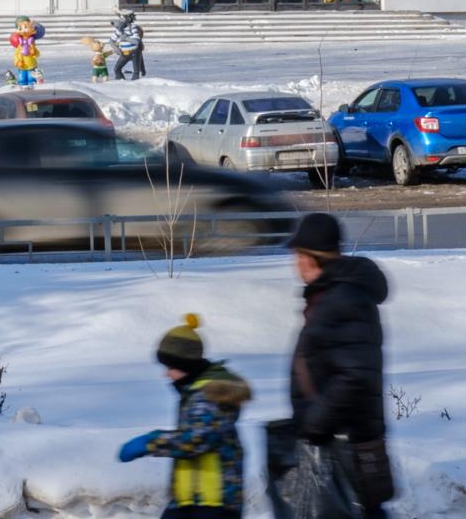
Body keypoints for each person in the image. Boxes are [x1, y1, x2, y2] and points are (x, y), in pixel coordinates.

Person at [282, 213, 395, 519]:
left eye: (298, 256)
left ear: (310, 258)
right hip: (341, 439)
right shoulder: (332, 296)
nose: (295, 263)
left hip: (347, 442)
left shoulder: (342, 299)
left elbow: (356, 374)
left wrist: (316, 423)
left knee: (358, 511)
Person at [116, 313, 252, 519]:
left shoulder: (211, 394)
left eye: (171, 367)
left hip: (214, 503)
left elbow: (197, 439)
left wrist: (151, 442)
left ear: (186, 365)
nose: (166, 374)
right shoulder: (196, 392)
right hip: (194, 499)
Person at [112, 11, 147, 81]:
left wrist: (143, 69)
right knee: (117, 68)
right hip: (124, 53)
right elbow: (113, 40)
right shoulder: (121, 30)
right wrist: (116, 47)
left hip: (134, 52)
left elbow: (140, 57)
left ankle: (133, 86)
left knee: (136, 72)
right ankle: (121, 82)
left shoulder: (133, 30)